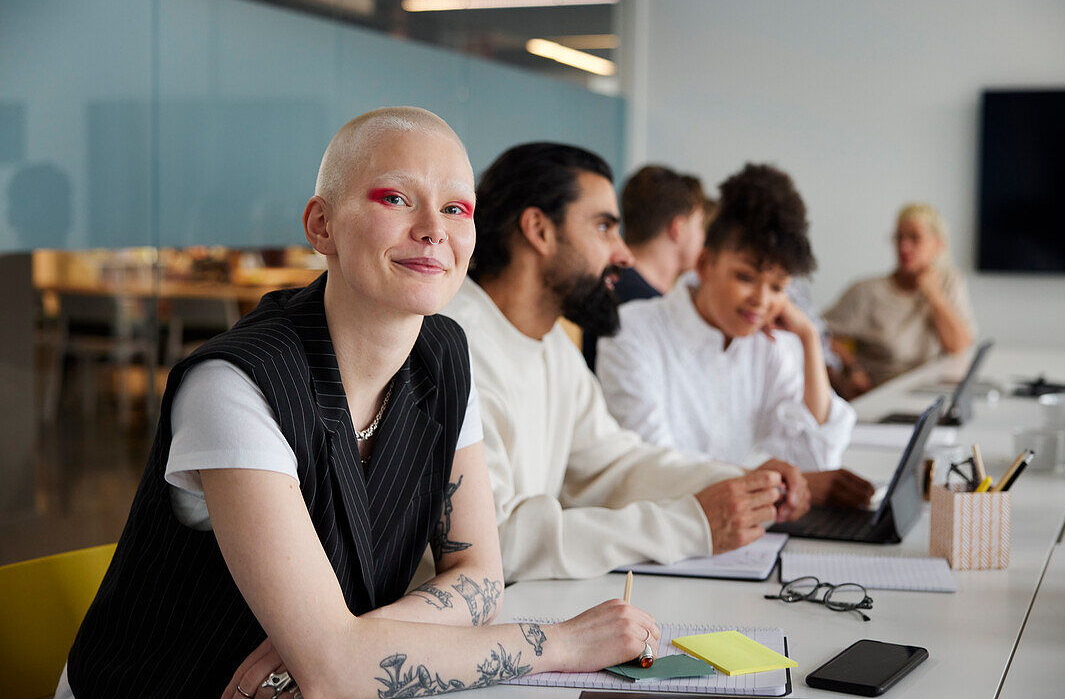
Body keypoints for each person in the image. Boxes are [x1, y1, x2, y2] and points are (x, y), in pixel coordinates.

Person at [59, 109, 658, 699]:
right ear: (321, 226)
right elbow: (337, 675)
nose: (433, 230)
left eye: (456, 208)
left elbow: (480, 578)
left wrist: (347, 643)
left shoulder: (445, 354)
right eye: (395, 199)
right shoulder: (235, 384)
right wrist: (564, 644)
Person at [442, 143, 812, 584]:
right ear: (539, 230)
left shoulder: (552, 345)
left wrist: (744, 486)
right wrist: (692, 526)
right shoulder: (453, 343)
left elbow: (615, 466)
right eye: (603, 228)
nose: (625, 254)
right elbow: (495, 542)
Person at [597, 164, 872, 508]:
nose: (761, 300)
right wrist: (775, 485)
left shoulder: (770, 345)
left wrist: (808, 338)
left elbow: (816, 459)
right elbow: (654, 469)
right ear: (704, 263)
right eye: (745, 277)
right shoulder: (631, 331)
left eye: (777, 287)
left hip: (738, 538)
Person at [825, 202, 975, 389]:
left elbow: (959, 348)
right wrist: (852, 367)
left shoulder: (950, 283)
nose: (904, 247)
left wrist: (934, 296)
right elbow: (820, 333)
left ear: (938, 244)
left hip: (930, 391)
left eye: (915, 238)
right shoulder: (866, 292)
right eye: (899, 238)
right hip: (882, 394)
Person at [581, 165, 707, 369]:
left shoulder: (611, 286)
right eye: (700, 225)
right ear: (678, 228)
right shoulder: (641, 308)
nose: (704, 238)